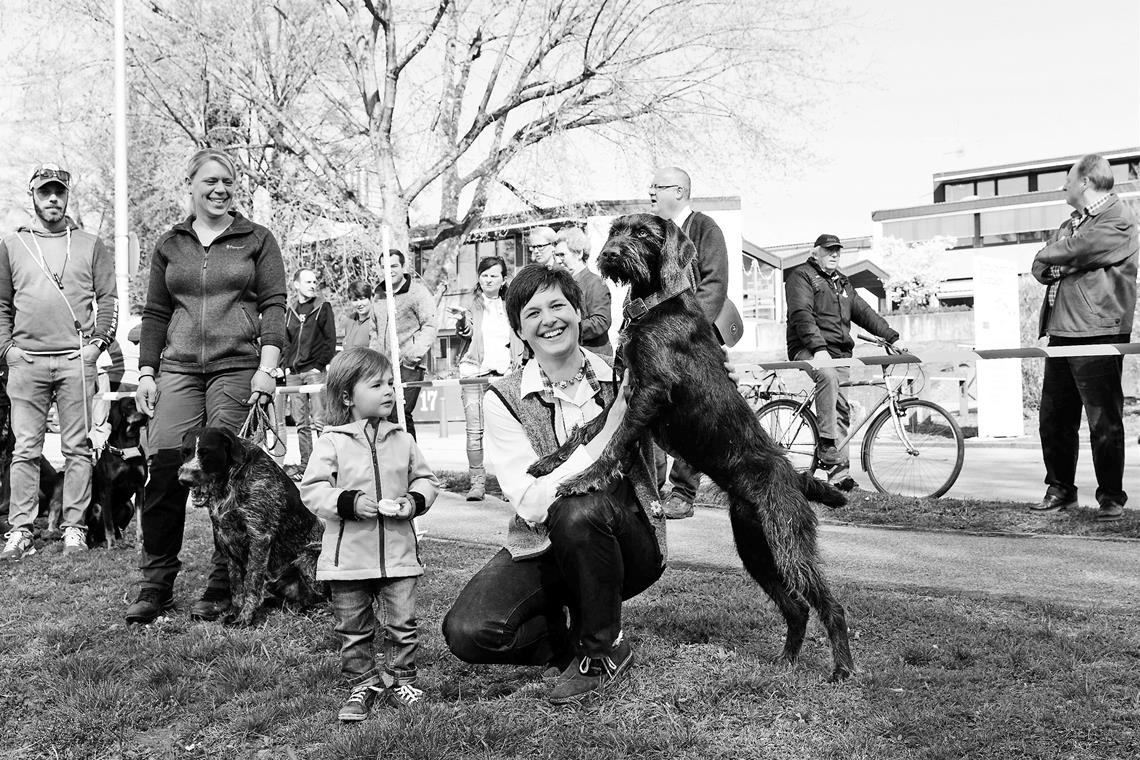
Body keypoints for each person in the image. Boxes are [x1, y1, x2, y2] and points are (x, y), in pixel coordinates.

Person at [442, 264, 666, 705]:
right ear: (520, 331)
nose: (549, 319)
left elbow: (681, 444)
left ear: (580, 312)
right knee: (468, 631)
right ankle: (571, 640)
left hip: (629, 542)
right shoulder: (502, 398)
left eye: (559, 305)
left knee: (581, 508)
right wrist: (607, 433)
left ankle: (602, 650)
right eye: (532, 312)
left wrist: (707, 388)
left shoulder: (626, 378)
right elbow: (530, 502)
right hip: (542, 541)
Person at [124, 148, 287, 625]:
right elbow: (155, 313)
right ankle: (155, 585)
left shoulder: (256, 238)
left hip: (238, 365)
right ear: (190, 184)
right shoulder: (169, 244)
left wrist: (268, 367)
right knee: (167, 466)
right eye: (210, 181)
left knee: (228, 473)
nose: (220, 190)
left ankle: (222, 584)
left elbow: (274, 305)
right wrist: (148, 372)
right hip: (177, 369)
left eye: (229, 182)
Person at [299, 347, 438, 721]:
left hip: (399, 556)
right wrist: (347, 502)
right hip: (348, 561)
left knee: (402, 623)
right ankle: (362, 681)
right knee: (353, 627)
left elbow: (426, 480)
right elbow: (312, 490)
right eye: (376, 384)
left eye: (390, 382)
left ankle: (400, 678)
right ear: (347, 396)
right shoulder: (331, 442)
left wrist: (413, 501)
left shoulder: (403, 440)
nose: (389, 391)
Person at [0, 163, 118, 560]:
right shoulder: (13, 245)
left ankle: (75, 528)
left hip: (75, 360)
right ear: (31, 195)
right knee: (25, 449)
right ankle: (20, 530)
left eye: (59, 192)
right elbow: (1, 305)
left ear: (68, 195)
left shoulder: (90, 243)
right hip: (26, 362)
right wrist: (7, 350)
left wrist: (97, 345)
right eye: (44, 192)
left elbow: (109, 300)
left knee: (78, 449)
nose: (52, 198)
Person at [1030, 154, 1138, 522]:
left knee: (1102, 419)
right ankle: (1060, 489)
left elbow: (1079, 248)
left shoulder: (1118, 218)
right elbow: (1040, 265)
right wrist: (1063, 261)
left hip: (1098, 330)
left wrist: (1061, 256)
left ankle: (1111, 497)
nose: (1063, 186)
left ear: (1085, 182)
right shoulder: (1070, 223)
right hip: (1061, 331)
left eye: (1068, 179)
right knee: (1054, 418)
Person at [785, 233, 900, 489]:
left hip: (839, 354)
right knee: (826, 374)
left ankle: (839, 477)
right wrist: (818, 348)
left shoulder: (842, 283)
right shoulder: (801, 276)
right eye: (829, 250)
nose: (834, 254)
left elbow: (864, 312)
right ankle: (826, 444)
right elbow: (801, 314)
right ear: (815, 252)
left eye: (837, 250)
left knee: (841, 411)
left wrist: (891, 336)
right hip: (808, 349)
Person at [648, 166, 729, 519]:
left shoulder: (704, 227)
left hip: (693, 340)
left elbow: (714, 283)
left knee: (691, 415)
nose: (650, 193)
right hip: (658, 339)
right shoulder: (655, 233)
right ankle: (650, 487)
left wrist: (687, 328)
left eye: (657, 187)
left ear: (678, 191)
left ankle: (683, 492)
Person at [453, 256, 524, 500]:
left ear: (504, 278)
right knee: (475, 431)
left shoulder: (511, 304)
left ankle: (507, 484)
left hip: (505, 375)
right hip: (474, 372)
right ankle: (477, 483)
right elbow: (466, 331)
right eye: (484, 274)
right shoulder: (471, 303)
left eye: (494, 275)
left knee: (505, 432)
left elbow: (521, 332)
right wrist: (462, 320)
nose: (488, 279)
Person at [369, 249, 437, 440]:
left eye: (393, 266)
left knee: (401, 413)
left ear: (403, 267)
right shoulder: (379, 295)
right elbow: (374, 329)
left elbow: (430, 325)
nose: (389, 271)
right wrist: (374, 357)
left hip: (409, 364)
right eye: (384, 267)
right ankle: (392, 461)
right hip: (383, 365)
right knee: (384, 415)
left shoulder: (417, 293)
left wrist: (412, 355)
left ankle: (412, 465)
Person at [275, 268, 336, 476]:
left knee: (320, 421)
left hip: (314, 372)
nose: (312, 285)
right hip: (293, 373)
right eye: (308, 282)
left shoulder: (323, 307)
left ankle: (327, 467)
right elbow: (286, 341)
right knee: (301, 423)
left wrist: (319, 366)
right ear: (296, 285)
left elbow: (330, 340)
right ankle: (306, 466)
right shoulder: (290, 310)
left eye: (314, 281)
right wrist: (286, 365)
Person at [555, 227, 612, 357]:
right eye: (556, 255)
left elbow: (601, 321)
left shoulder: (595, 283)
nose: (558, 261)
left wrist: (568, 328)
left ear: (579, 253)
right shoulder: (561, 285)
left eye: (562, 255)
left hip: (596, 358)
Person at [342, 280, 375, 350]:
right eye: (355, 300)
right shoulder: (349, 320)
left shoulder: (376, 320)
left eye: (362, 299)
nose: (359, 304)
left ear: (370, 298)